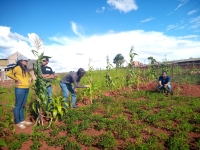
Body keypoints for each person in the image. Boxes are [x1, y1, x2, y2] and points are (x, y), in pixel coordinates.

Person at [6, 55, 32, 129]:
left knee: (22, 105)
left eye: (27, 61)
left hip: (26, 88)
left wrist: (29, 79)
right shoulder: (17, 68)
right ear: (21, 61)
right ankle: (17, 122)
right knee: (18, 105)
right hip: (20, 88)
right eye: (25, 60)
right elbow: (8, 73)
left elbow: (26, 77)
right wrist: (16, 79)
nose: (26, 62)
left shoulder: (25, 69)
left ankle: (22, 120)